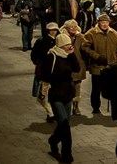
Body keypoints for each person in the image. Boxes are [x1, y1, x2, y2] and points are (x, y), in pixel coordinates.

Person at [41, 34, 81, 163]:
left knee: (64, 124)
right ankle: (66, 154)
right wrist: (61, 75)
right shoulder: (51, 56)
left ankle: (53, 140)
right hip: (56, 94)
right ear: (60, 45)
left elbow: (77, 68)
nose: (69, 46)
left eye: (70, 44)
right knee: (64, 123)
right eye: (66, 44)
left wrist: (72, 54)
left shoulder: (68, 56)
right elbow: (45, 76)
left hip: (68, 94)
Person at [82, 14, 117, 114]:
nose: (104, 24)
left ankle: (115, 107)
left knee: (113, 88)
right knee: (96, 89)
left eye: (106, 22)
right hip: (97, 66)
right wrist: (96, 57)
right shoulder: (91, 33)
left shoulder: (114, 33)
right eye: (102, 22)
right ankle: (96, 107)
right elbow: (85, 47)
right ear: (99, 23)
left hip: (111, 66)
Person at [33, 22, 60, 122]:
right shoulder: (42, 41)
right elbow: (34, 54)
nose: (53, 32)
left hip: (56, 72)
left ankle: (52, 113)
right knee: (42, 94)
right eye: (51, 30)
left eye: (55, 30)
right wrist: (38, 63)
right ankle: (50, 113)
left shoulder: (59, 40)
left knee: (52, 94)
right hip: (44, 71)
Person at [61, 20, 87, 116]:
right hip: (66, 65)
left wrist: (80, 35)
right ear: (66, 28)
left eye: (75, 26)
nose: (73, 28)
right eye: (71, 27)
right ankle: (66, 105)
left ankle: (76, 106)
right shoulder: (62, 37)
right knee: (67, 86)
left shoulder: (79, 37)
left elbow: (87, 45)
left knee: (77, 86)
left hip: (78, 64)